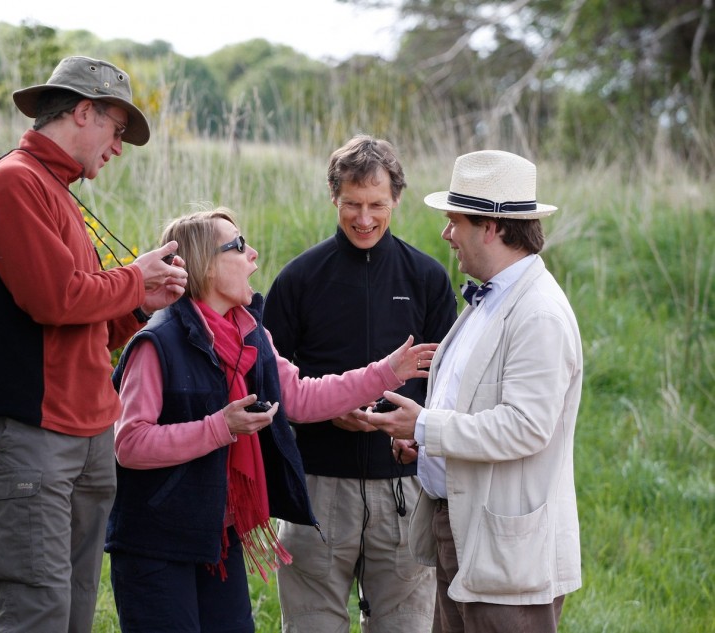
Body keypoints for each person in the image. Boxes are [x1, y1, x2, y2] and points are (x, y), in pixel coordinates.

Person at [104, 207, 439, 633]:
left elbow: (300, 396)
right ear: (205, 264)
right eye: (238, 246)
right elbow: (129, 444)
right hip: (156, 542)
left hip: (215, 534)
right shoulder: (156, 342)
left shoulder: (251, 336)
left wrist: (386, 372)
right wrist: (220, 428)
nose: (254, 255)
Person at [0, 55, 188, 632]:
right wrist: (135, 277)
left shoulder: (56, 191)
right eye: (116, 130)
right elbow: (55, 299)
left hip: (83, 435)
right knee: (37, 612)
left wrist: (139, 305)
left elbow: (79, 319)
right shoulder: (15, 181)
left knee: (72, 613)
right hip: (34, 433)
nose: (118, 147)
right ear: (84, 112)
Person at [365, 149, 583, 632]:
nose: (446, 234)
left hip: (508, 557)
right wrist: (423, 444)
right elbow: (471, 406)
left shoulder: (538, 314)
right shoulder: (489, 298)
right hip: (463, 532)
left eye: (453, 221)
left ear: (491, 227)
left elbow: (526, 428)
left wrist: (423, 423)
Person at [262, 134, 457, 632]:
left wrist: (409, 429)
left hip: (405, 491)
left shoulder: (428, 279)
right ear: (334, 197)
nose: (364, 218)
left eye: (376, 204)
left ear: (396, 198)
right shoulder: (298, 279)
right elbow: (273, 386)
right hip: (317, 489)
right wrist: (328, 409)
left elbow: (448, 387)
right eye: (352, 204)